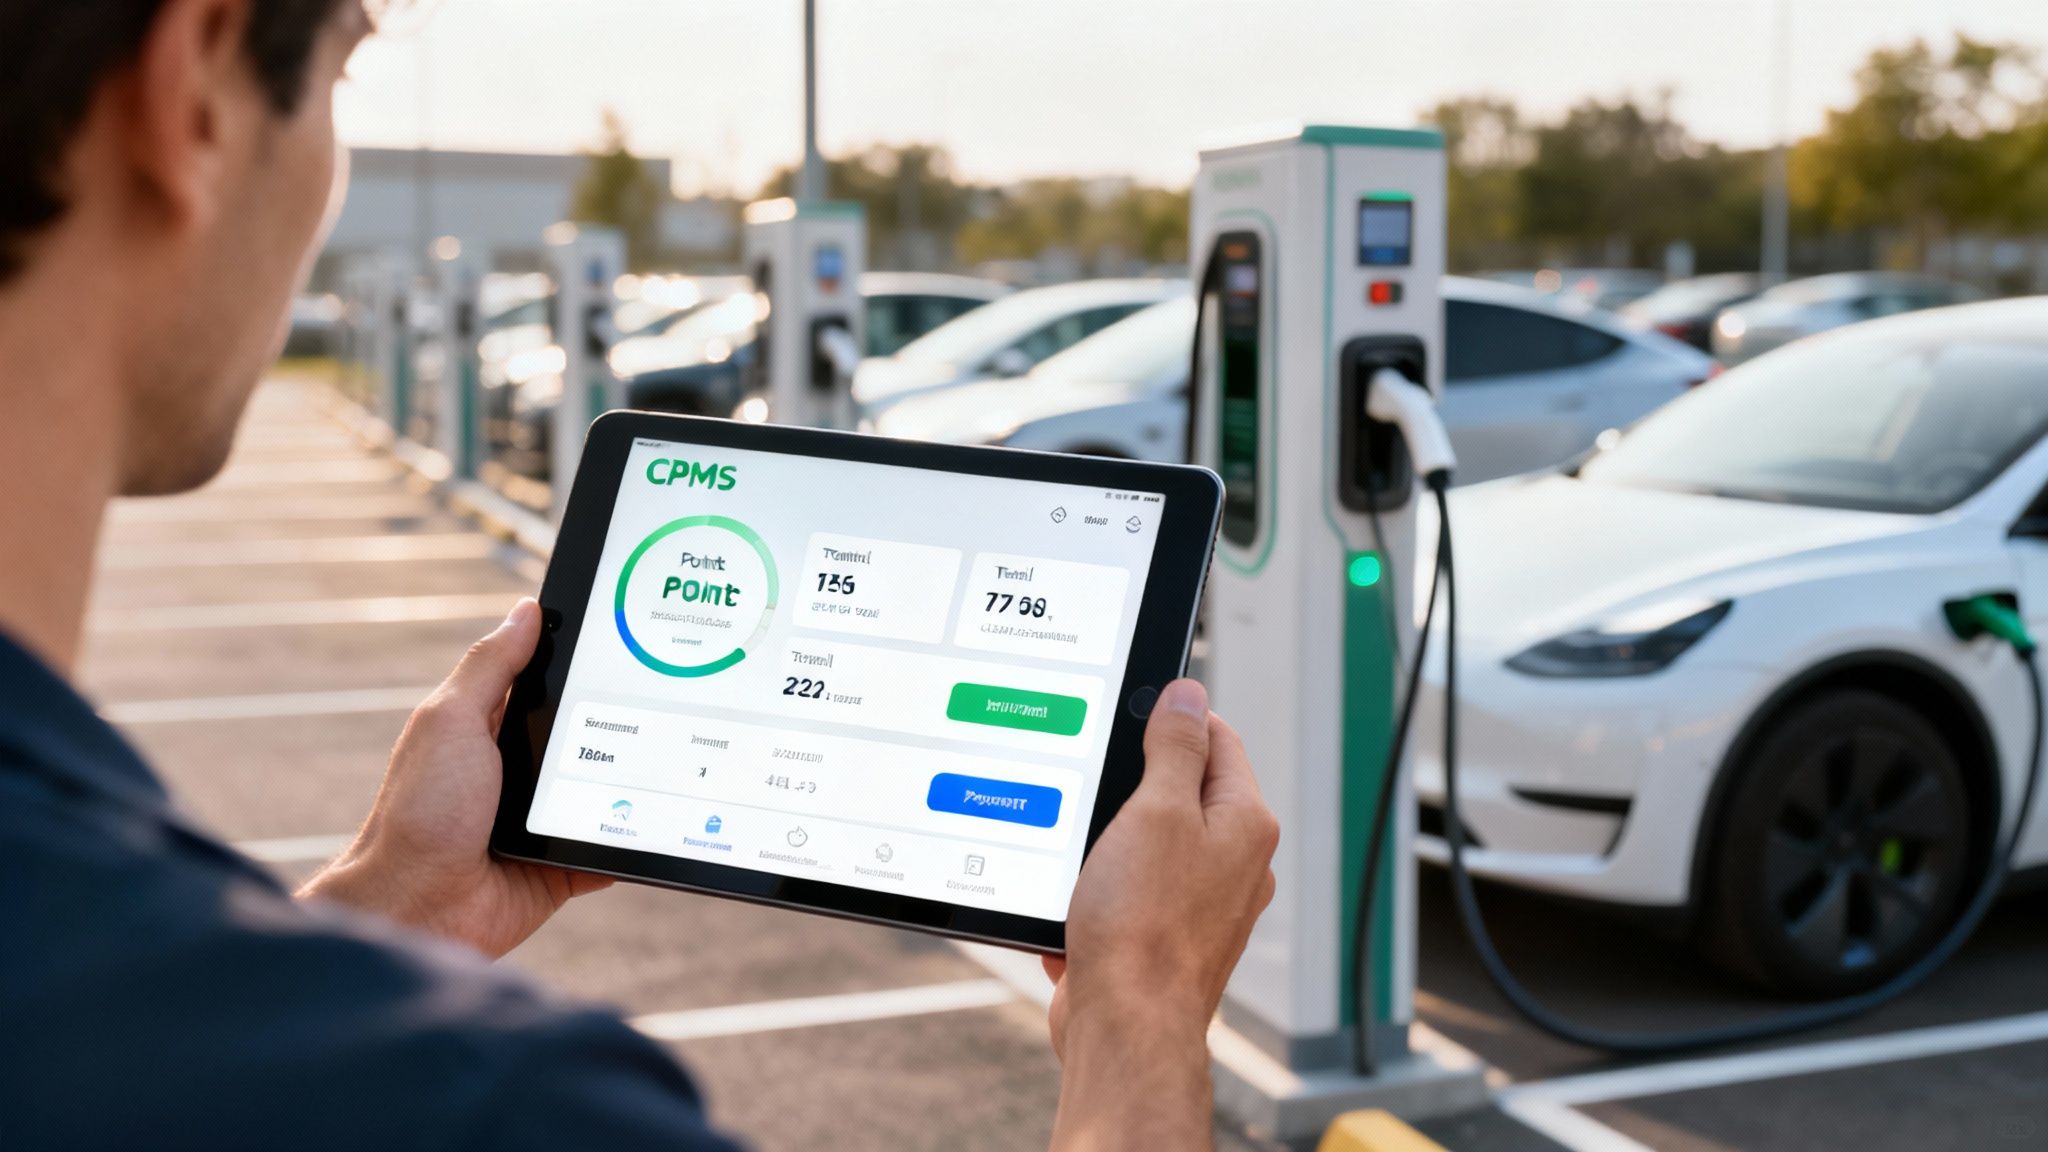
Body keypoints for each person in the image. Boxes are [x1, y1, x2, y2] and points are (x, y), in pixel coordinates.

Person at [0, 2, 1282, 1149]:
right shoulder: (487, 1105)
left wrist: (397, 901)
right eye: (342, 71)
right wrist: (1141, 1008)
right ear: (197, 82)